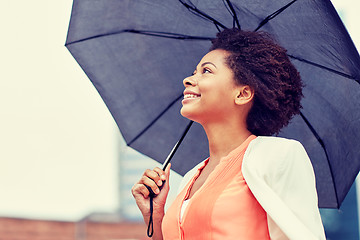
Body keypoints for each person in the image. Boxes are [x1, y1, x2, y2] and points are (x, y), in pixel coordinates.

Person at [132, 28, 326, 240]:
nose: (188, 79)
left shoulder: (278, 156)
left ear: (242, 93)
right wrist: (156, 217)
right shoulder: (189, 178)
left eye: (206, 71)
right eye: (194, 71)